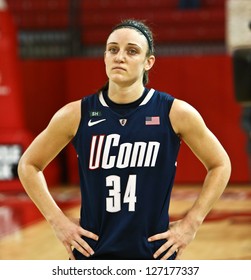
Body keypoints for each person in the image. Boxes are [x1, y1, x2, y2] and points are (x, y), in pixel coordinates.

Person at [18, 19, 231, 260]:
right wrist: (57, 221)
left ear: (148, 62)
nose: (120, 57)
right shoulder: (76, 114)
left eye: (132, 51)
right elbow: (29, 165)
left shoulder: (174, 112)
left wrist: (192, 223)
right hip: (91, 257)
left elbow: (220, 164)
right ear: (105, 57)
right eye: (112, 49)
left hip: (154, 256)